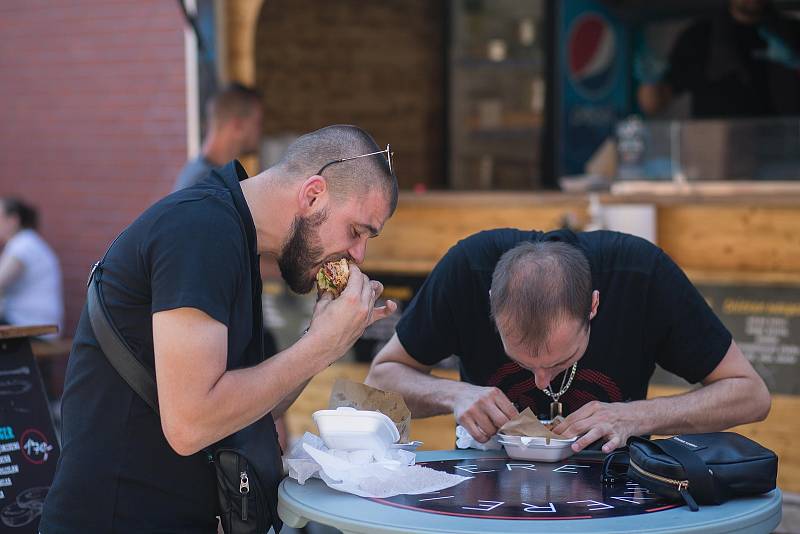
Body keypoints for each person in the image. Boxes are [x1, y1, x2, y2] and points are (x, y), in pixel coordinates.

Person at [41, 125, 398, 532]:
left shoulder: (238, 236)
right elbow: (191, 424)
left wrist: (325, 341)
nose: (359, 254)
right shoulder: (203, 230)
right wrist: (320, 345)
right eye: (356, 231)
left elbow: (245, 408)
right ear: (313, 194)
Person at [366, 228, 771, 454]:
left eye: (561, 361)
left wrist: (638, 417)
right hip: (489, 489)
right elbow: (380, 380)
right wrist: (451, 396)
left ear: (593, 307)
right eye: (524, 363)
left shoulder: (640, 274)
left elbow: (751, 394)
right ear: (491, 304)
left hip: (616, 490)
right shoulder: (467, 270)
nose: (541, 381)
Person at [637, 0, 800, 118]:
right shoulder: (698, 37)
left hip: (785, 153)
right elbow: (653, 105)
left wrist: (797, 63)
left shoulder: (793, 32)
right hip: (715, 154)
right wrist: (650, 81)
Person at [174, 82, 263, 191]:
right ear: (238, 126)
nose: (260, 132)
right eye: (257, 123)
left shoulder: (203, 177)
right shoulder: (205, 186)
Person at [0, 198, 63, 334]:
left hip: (30, 325)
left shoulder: (24, 244)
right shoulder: (27, 241)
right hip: (30, 323)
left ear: (13, 220)